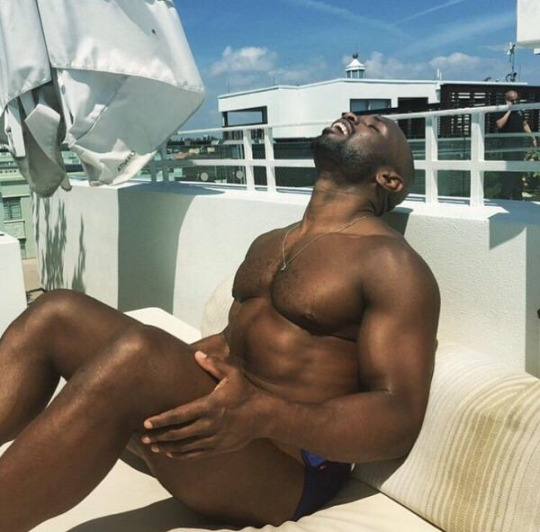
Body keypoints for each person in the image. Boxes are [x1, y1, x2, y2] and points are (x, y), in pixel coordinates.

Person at [0, 113, 440, 531]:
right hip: (215, 434)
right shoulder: (271, 242)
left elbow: (398, 417)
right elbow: (234, 342)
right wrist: (156, 371)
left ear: (389, 180)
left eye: (374, 126)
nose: (355, 117)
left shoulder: (390, 264)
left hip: (286, 469)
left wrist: (267, 416)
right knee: (57, 312)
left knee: (141, 352)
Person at [494, 90, 537, 200]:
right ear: (507, 100)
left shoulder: (519, 111)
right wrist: (509, 110)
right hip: (507, 145)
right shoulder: (501, 110)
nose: (515, 102)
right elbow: (499, 124)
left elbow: (524, 124)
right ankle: (505, 195)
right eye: (512, 100)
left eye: (517, 100)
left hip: (519, 145)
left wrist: (532, 137)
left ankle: (518, 195)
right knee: (509, 171)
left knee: (518, 170)